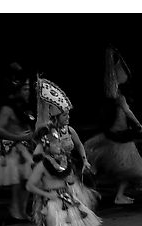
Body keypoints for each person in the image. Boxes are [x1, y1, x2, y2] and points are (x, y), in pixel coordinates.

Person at [26, 126, 110, 226]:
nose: (59, 145)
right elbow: (30, 186)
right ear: (47, 146)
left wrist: (71, 180)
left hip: (68, 198)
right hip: (54, 202)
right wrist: (47, 194)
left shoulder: (63, 160)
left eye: (59, 142)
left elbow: (68, 179)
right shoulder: (43, 165)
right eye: (55, 143)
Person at [84, 46, 142, 205]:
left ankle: (118, 195)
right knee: (129, 170)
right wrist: (138, 124)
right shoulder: (116, 98)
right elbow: (128, 112)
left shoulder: (116, 97)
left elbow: (126, 111)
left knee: (126, 171)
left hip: (118, 137)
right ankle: (96, 187)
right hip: (116, 139)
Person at [34, 77, 100, 211]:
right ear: (56, 117)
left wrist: (85, 161)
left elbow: (79, 145)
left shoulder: (69, 130)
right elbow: (41, 121)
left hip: (70, 168)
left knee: (75, 202)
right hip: (53, 171)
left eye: (68, 115)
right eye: (65, 116)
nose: (68, 118)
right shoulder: (48, 133)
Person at [0, 63, 35, 220]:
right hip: (10, 147)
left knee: (27, 178)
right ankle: (15, 209)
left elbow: (26, 124)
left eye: (28, 89)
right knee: (18, 179)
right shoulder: (8, 108)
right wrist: (19, 138)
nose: (28, 92)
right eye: (25, 89)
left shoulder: (24, 107)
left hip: (25, 146)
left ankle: (22, 210)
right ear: (17, 90)